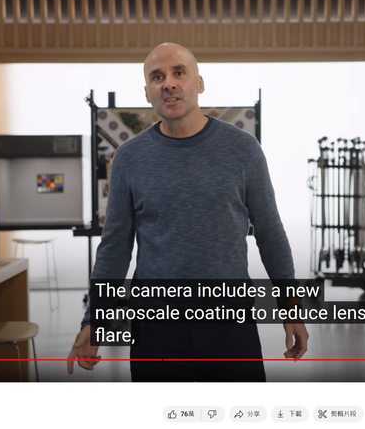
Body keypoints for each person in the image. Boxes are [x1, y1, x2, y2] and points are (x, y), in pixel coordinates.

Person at [67, 42, 308, 381]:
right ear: (147, 92)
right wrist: (95, 319)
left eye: (179, 72)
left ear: (199, 83)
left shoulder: (243, 150)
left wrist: (290, 306)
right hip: (155, 327)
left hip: (229, 322)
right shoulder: (129, 158)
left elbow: (270, 233)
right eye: (157, 77)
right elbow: (115, 247)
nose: (169, 83)